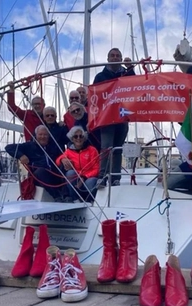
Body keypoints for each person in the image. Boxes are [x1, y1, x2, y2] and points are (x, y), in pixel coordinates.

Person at [93, 48, 135, 187]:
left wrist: (130, 68)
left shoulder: (126, 73)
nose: (115, 58)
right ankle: (102, 176)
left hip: (122, 117)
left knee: (118, 149)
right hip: (106, 119)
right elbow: (95, 96)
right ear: (108, 58)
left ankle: (116, 177)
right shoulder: (100, 76)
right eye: (113, 55)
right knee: (106, 148)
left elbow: (136, 86)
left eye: (118, 56)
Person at [5, 125, 64, 201]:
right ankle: (57, 197)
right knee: (41, 171)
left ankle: (68, 196)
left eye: (45, 135)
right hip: (38, 177)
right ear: (36, 135)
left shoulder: (54, 146)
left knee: (65, 169)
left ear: (48, 136)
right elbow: (9, 147)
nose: (43, 137)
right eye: (40, 134)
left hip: (54, 175)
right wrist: (21, 155)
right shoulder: (29, 146)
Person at [56, 126, 99, 203]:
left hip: (88, 178)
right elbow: (57, 161)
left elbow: (97, 168)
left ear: (84, 137)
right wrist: (62, 159)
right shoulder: (69, 151)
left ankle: (90, 200)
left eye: (81, 136)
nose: (78, 138)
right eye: (75, 136)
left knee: (90, 182)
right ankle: (75, 198)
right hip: (77, 179)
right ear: (72, 139)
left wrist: (84, 177)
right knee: (70, 173)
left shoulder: (92, 150)